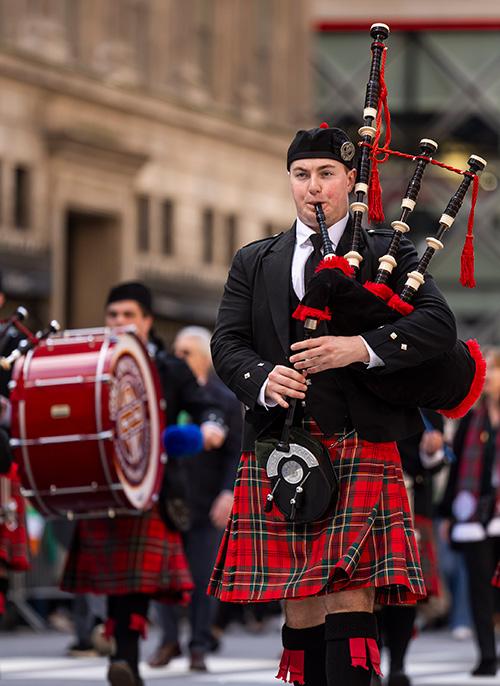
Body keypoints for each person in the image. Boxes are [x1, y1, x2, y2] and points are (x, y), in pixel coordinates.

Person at [207, 124, 458, 686]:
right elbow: (225, 343)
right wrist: (263, 377)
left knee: (350, 592)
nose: (313, 188)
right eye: (301, 175)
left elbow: (438, 326)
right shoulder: (256, 260)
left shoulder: (385, 252)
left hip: (359, 439)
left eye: (326, 174)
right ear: (290, 182)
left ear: (351, 180)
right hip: (280, 441)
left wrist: (359, 348)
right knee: (297, 598)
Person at [61, 281, 227, 686]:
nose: (119, 322)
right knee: (120, 582)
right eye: (112, 315)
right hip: (103, 487)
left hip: (153, 489)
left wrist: (210, 429)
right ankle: (126, 660)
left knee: (135, 581)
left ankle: (129, 659)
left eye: (128, 315)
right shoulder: (91, 362)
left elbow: (207, 408)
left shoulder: (170, 367)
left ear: (147, 321)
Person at [148, 326, 242, 672]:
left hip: (206, 502)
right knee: (163, 577)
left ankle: (199, 644)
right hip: (170, 498)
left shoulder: (225, 399)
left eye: (186, 352)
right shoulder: (165, 393)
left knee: (203, 578)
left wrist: (229, 493)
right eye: (176, 351)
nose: (178, 358)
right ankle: (169, 639)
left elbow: (236, 453)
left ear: (203, 358)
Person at [439, 348, 500, 677]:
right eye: (484, 370)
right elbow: (458, 465)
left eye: (493, 370)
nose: (487, 376)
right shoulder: (470, 421)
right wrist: (448, 513)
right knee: (478, 588)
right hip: (474, 515)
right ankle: (487, 655)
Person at [375, 412, 446, 686]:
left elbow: (435, 461)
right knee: (368, 591)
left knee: (404, 593)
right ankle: (373, 665)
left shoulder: (426, 396)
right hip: (365, 497)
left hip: (411, 500)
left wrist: (432, 451)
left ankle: (398, 666)